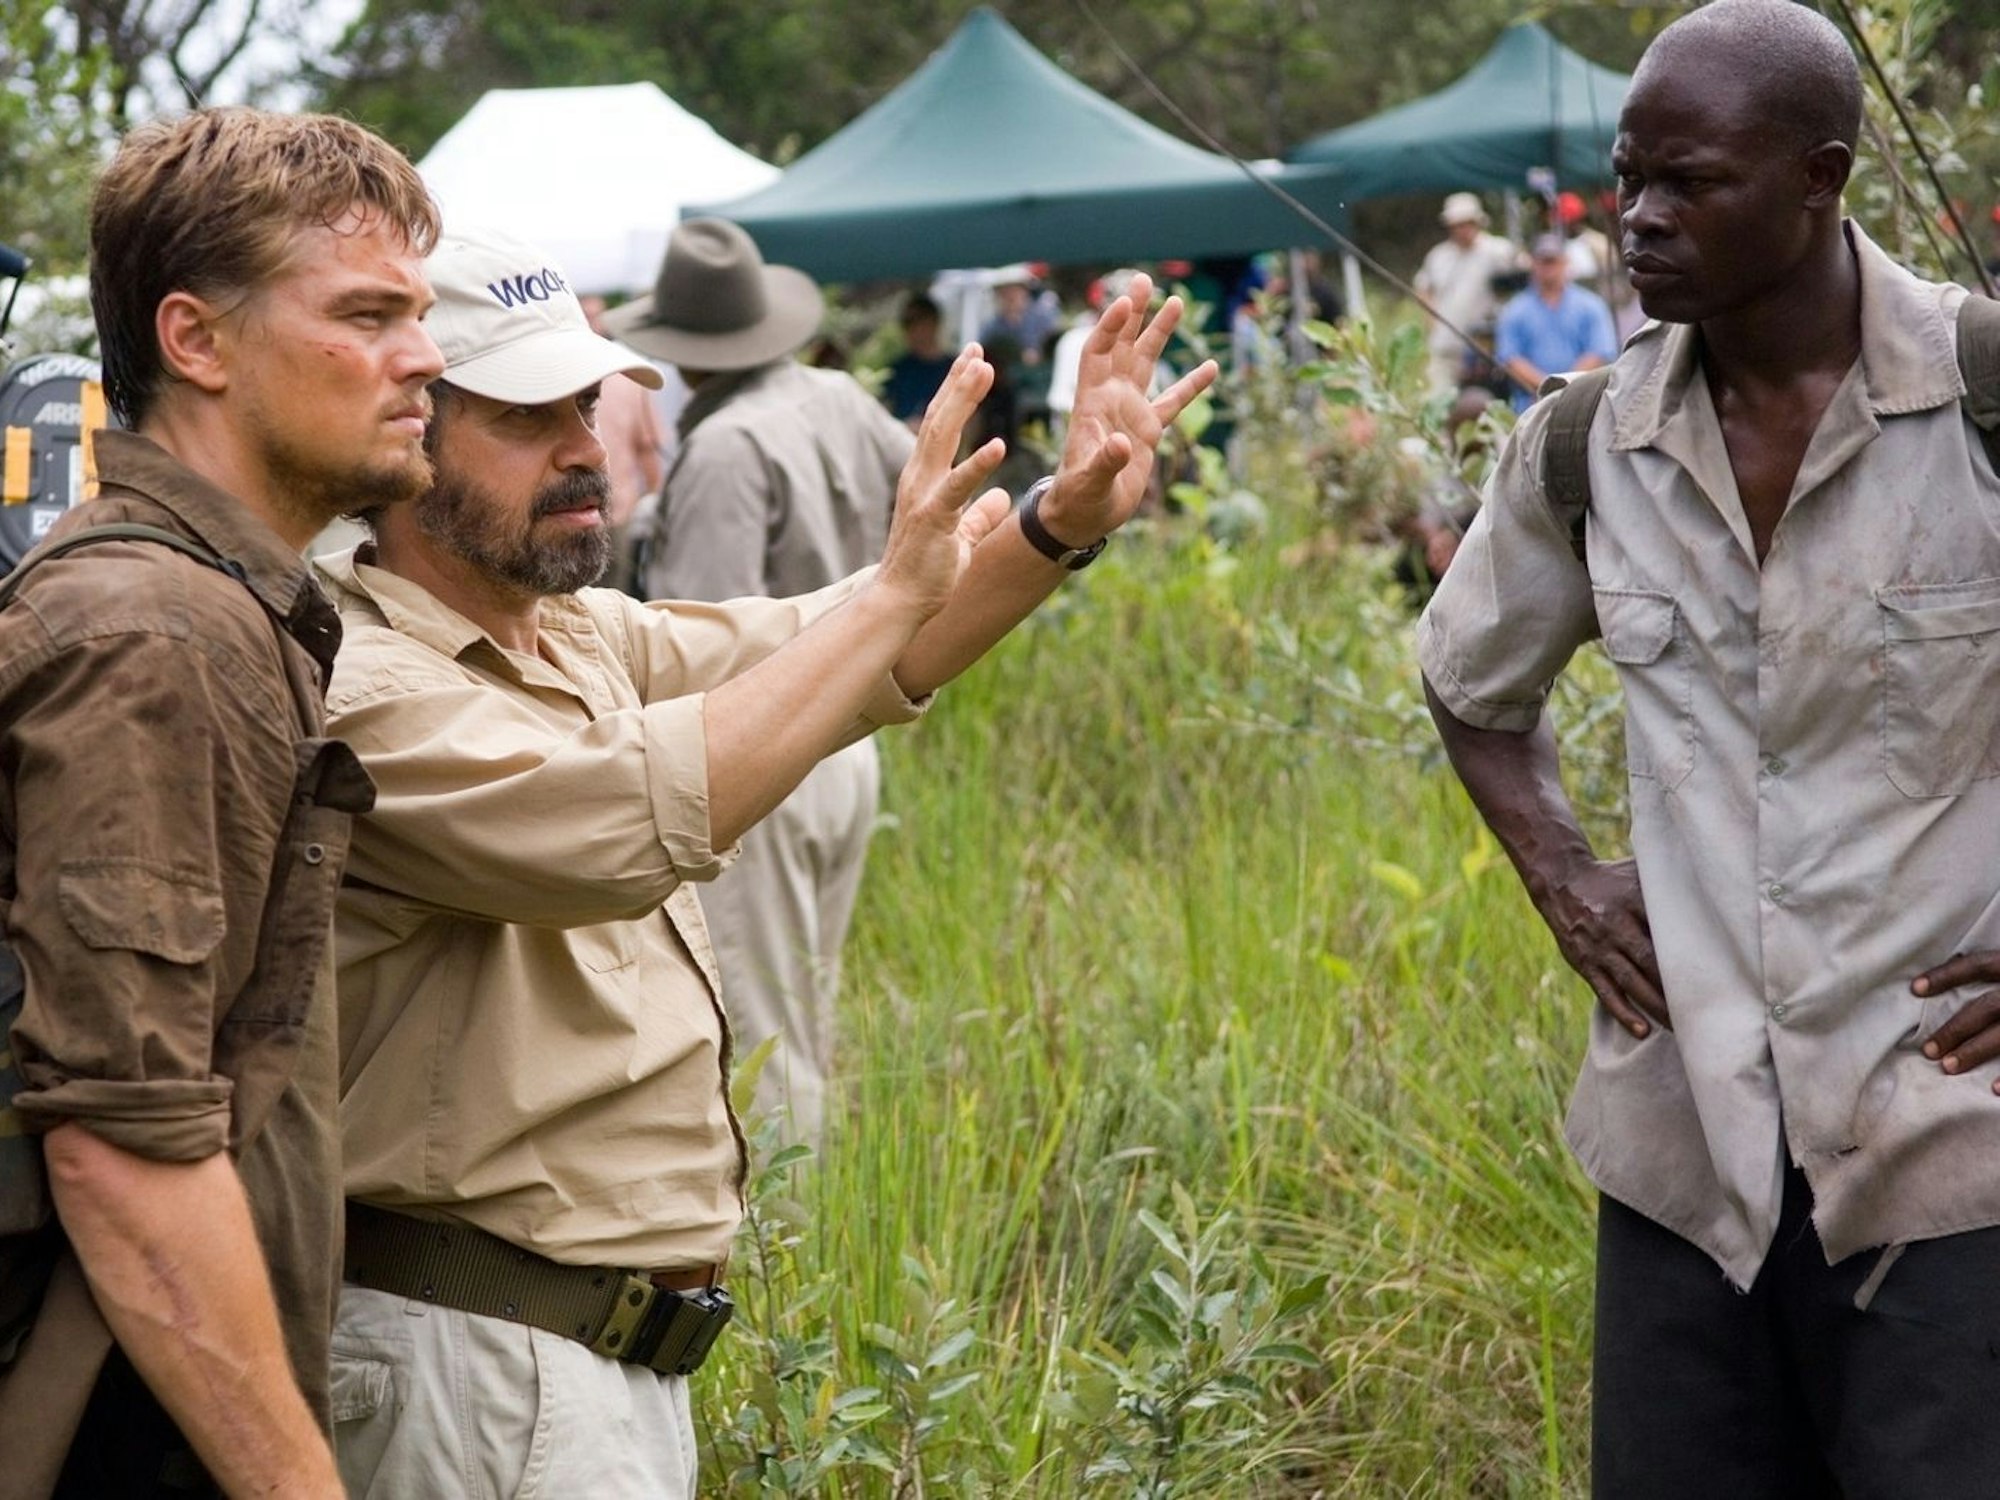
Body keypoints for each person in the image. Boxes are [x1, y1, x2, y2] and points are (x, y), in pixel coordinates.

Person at [319, 225, 1213, 1496]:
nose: (584, 447)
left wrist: (1056, 522)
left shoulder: (568, 633)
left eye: (586, 405)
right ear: (407, 434)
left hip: (578, 1358)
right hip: (473, 1362)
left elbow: (840, 638)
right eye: (525, 416)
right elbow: (620, 823)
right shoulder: (361, 682)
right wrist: (894, 597)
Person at [1417, 2, 2000, 1493]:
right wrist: (1563, 877)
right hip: (1687, 1168)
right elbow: (1468, 680)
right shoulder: (1586, 444)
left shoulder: (1982, 395)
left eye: (1689, 183)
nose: (1638, 220)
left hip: (1951, 1154)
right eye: (1628, 179)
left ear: (1818, 179)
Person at [0, 108, 442, 1497]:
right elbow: (124, 1151)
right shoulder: (157, 632)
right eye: (366, 314)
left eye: (419, 314)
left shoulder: (224, 608)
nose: (425, 358)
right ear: (196, 341)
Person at [616, 218, 916, 1141]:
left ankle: (787, 1228)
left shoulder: (726, 447)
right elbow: (926, 511)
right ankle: (821, 1212)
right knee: (803, 1006)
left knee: (757, 1031)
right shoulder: (839, 397)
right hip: (852, 736)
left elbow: (708, 642)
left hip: (768, 751)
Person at [578, 293, 666, 593]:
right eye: (586, 316)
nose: (593, 324)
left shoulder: (629, 379)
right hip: (570, 512)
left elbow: (647, 448)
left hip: (619, 514)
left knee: (618, 599)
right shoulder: (554, 380)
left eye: (597, 316)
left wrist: (654, 503)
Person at [1492, 234, 1617, 412]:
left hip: (1583, 402)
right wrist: (1546, 387)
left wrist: (1566, 387)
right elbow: (1509, 358)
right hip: (1530, 404)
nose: (1548, 267)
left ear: (1565, 262)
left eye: (1553, 261)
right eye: (1543, 262)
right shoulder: (1514, 310)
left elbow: (1600, 352)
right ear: (1533, 264)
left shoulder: (1591, 305)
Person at [1414, 192, 1521, 395]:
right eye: (1458, 224)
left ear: (1478, 223)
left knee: (1487, 403)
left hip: (1485, 349)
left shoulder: (1497, 250)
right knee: (1439, 400)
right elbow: (1423, 289)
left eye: (1468, 223)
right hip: (1446, 346)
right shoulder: (1439, 256)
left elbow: (1523, 273)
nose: (1464, 230)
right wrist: (1432, 322)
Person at [882, 293, 957, 427]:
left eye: (916, 321)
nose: (911, 330)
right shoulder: (897, 370)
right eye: (906, 323)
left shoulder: (955, 368)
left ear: (934, 322)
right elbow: (883, 415)